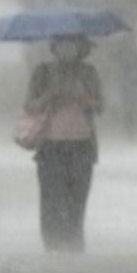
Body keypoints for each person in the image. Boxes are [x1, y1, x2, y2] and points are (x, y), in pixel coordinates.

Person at [25, 35, 102, 252]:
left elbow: (100, 106)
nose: (67, 49)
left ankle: (74, 248)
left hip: (82, 147)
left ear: (81, 47)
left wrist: (83, 99)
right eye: (62, 44)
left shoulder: (88, 73)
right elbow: (30, 106)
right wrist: (50, 97)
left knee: (76, 203)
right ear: (54, 47)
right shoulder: (43, 72)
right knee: (50, 202)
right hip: (50, 148)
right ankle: (52, 248)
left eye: (72, 44)